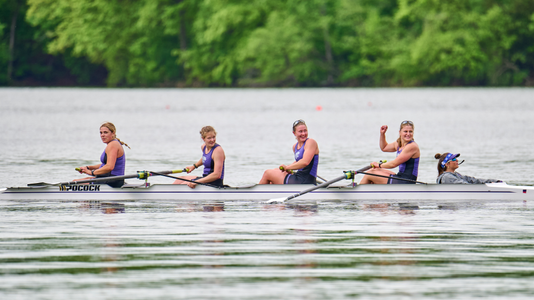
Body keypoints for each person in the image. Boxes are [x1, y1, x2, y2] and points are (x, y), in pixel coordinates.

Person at [259, 119, 319, 184]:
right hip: (299, 178)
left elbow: (305, 162)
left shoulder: (310, 142)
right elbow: (298, 161)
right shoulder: (295, 146)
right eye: (300, 131)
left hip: (306, 180)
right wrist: (288, 168)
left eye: (305, 131)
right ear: (294, 133)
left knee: (267, 173)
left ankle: (256, 193)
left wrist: (288, 167)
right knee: (275, 172)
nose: (303, 133)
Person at [360, 120, 420, 184]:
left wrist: (379, 165)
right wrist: (382, 134)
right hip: (401, 176)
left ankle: (357, 192)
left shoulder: (412, 146)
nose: (408, 134)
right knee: (375, 171)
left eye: (410, 131)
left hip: (407, 181)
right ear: (400, 132)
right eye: (405, 131)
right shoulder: (398, 143)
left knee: (370, 173)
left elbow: (393, 164)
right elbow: (384, 148)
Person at [76, 122, 130, 187]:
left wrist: (91, 172)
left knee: (75, 183)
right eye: (101, 133)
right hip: (110, 178)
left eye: (105, 132)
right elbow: (105, 165)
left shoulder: (113, 145)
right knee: (76, 181)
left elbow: (109, 167)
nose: (102, 135)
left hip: (112, 180)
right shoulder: (113, 143)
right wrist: (88, 168)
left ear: (113, 133)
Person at [435, 153, 502, 184]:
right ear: (447, 164)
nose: (457, 160)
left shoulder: (457, 175)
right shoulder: (447, 177)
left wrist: (493, 181)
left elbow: (473, 180)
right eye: (454, 159)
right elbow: (465, 185)